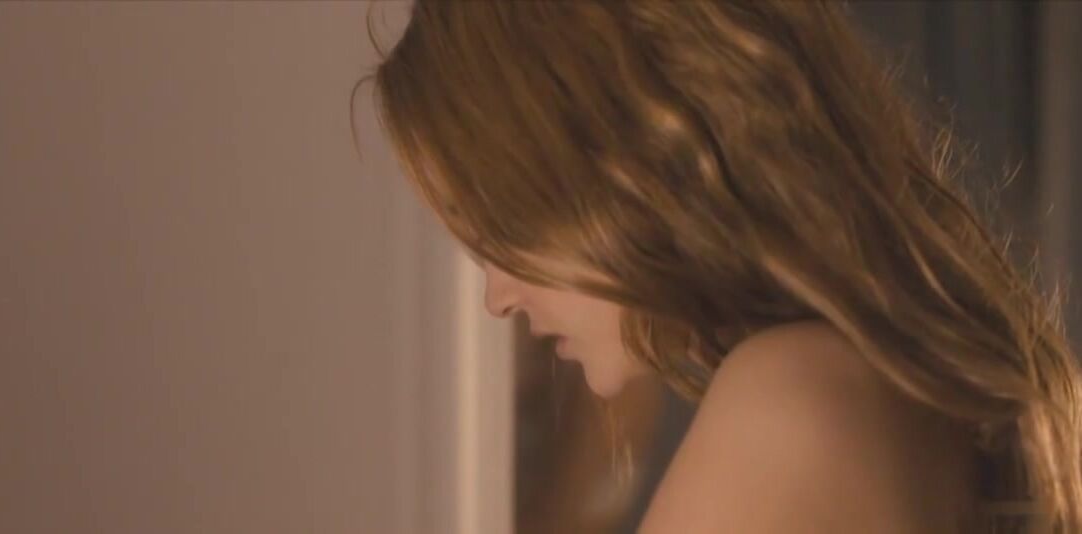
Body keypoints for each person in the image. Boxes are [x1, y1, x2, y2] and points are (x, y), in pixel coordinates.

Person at [354, 1, 1082, 532]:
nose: (498, 296)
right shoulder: (882, 388)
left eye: (502, 229)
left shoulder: (788, 400)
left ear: (616, 152)